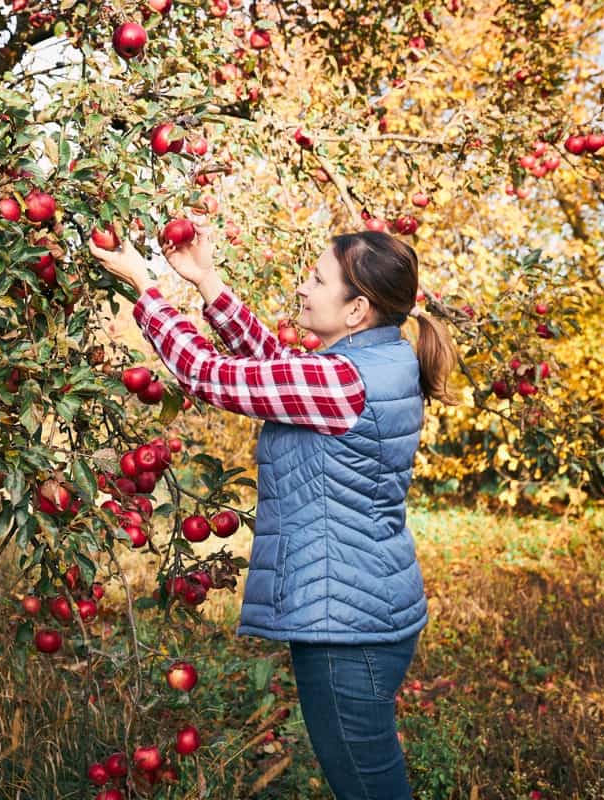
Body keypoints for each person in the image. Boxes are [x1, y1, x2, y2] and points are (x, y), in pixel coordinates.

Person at [88, 223, 458, 800]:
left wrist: (144, 284)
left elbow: (207, 375)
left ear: (357, 309)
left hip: (347, 625)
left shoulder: (342, 380)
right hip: (367, 606)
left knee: (368, 785)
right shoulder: (379, 360)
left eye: (318, 279)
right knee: (370, 776)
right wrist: (206, 281)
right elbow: (277, 365)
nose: (303, 289)